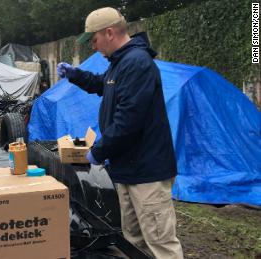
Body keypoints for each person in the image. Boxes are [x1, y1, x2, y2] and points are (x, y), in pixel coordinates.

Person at [57, 7, 183, 259]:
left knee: (160, 243)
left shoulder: (137, 64)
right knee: (134, 241)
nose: (92, 46)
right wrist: (76, 75)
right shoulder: (120, 63)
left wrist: (98, 152)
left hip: (147, 171)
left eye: (93, 40)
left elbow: (128, 122)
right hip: (127, 169)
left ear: (110, 33)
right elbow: (103, 85)